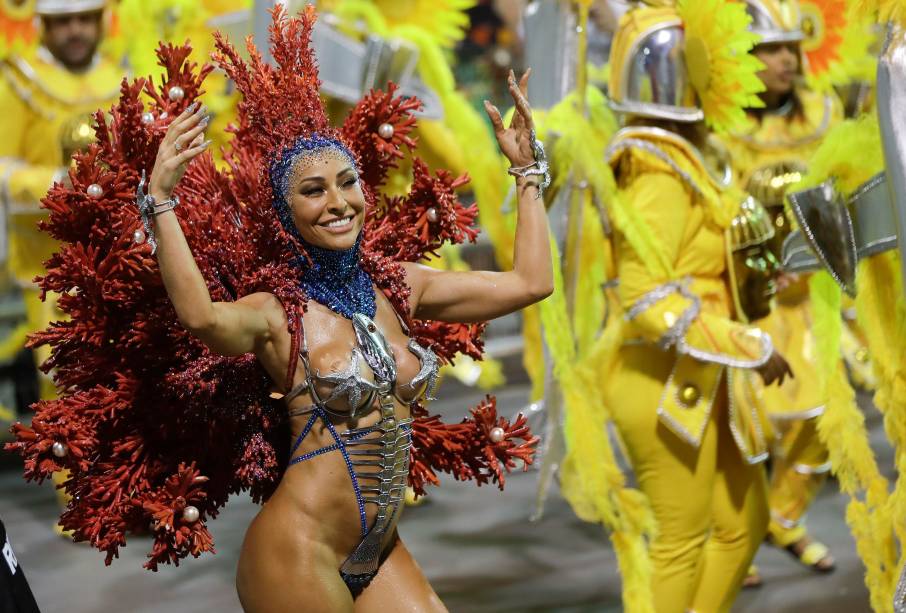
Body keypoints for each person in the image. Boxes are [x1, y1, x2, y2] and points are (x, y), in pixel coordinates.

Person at [6, 6, 550, 611]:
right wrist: (160, 201)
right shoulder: (277, 311)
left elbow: (530, 282)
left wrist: (527, 171)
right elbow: (202, 319)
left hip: (379, 546)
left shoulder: (401, 285)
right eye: (313, 192)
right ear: (285, 214)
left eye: (348, 183)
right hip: (299, 549)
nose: (339, 202)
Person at [600, 3, 791, 610]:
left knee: (744, 523)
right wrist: (751, 346)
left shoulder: (688, 158)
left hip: (702, 374)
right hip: (658, 379)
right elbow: (647, 299)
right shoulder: (655, 168)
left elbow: (701, 264)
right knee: (681, 540)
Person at [723, 0, 845, 581]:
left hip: (812, 295)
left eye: (791, 47)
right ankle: (737, 534)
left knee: (825, 417)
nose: (785, 61)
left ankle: (783, 518)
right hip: (743, 299)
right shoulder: (720, 123)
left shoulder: (826, 110)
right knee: (747, 425)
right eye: (769, 48)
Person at [0, 0, 121, 522]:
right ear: (43, 24)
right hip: (46, 267)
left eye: (84, 17)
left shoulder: (121, 77)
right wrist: (59, 184)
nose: (75, 31)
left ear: (101, 19)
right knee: (63, 376)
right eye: (63, 20)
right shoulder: (18, 82)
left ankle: (126, 490)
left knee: (122, 375)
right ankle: (79, 498)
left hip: (116, 257)